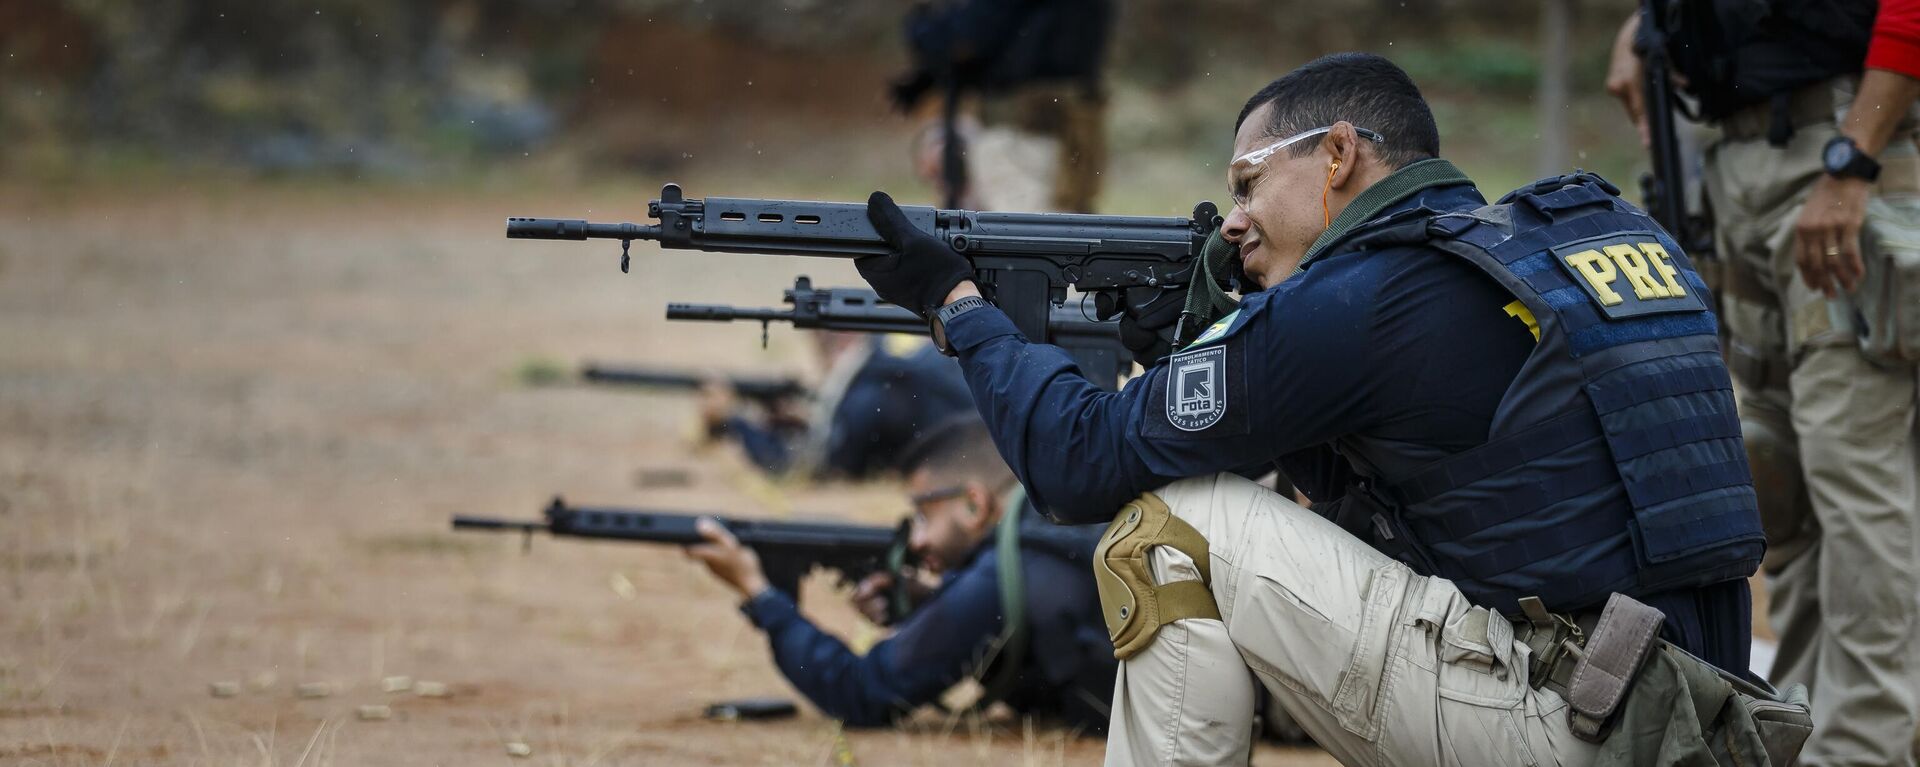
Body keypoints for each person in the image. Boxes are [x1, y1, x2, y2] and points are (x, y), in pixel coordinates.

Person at [850, 52, 1779, 764]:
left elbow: (1076, 461)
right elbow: (1416, 512)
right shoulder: (1538, 259)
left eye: (1247, 183)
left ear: (1338, 154)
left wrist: (959, 309)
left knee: (1176, 524)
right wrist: (1190, 349)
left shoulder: (1362, 297)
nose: (1232, 222)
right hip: (1698, 715)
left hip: (1571, 725)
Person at [1608, 4, 1920, 765]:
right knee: (1785, 477)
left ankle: (1866, 746)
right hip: (1743, 159)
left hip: (1847, 149)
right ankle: (1816, 731)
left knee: (1855, 473)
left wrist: (1856, 161)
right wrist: (1644, 24)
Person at [682, 417, 1117, 732]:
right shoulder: (1062, 527)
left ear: (974, 505)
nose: (918, 541)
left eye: (924, 517)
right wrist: (933, 603)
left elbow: (862, 693)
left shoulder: (1007, 569)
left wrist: (759, 595)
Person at [891, 0, 1112, 213]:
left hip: (1023, 136)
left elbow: (964, 36)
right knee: (1065, 226)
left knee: (1026, 235)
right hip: (1071, 124)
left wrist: (922, 23)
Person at [700, 331, 976, 480]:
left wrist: (732, 421)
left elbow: (794, 468)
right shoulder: (893, 362)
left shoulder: (869, 393)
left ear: (842, 341)